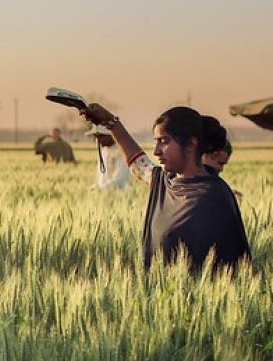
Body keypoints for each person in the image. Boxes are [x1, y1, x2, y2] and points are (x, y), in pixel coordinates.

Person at [82, 104, 250, 271]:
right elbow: (138, 164)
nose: (156, 151)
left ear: (191, 144)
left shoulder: (215, 196)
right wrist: (111, 123)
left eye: (164, 142)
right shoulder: (163, 182)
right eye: (156, 142)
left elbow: (234, 268)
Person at [87, 125, 129, 190]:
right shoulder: (103, 151)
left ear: (111, 135)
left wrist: (101, 189)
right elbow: (100, 178)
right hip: (104, 195)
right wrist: (95, 187)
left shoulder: (122, 152)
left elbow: (120, 180)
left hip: (118, 195)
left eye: (100, 136)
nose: (97, 140)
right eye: (95, 137)